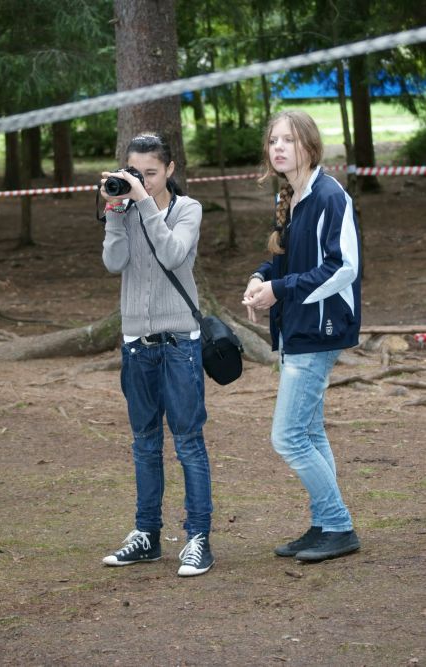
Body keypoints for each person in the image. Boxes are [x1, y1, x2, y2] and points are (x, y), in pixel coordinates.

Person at [242, 110, 361, 562]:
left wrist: (280, 289)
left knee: (288, 436)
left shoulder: (330, 196)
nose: (278, 148)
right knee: (309, 431)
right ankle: (325, 524)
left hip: (320, 328)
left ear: (309, 146)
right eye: (273, 140)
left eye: (288, 140)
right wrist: (261, 277)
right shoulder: (290, 195)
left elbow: (342, 267)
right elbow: (287, 261)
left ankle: (340, 526)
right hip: (296, 326)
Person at [100, 132, 214, 577]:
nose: (143, 180)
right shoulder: (126, 209)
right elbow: (114, 263)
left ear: (169, 169)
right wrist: (115, 212)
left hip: (180, 343)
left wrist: (144, 202)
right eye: (136, 173)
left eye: (151, 172)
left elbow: (172, 254)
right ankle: (146, 535)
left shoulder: (187, 209)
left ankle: (198, 537)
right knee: (145, 444)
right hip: (137, 344)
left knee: (188, 443)